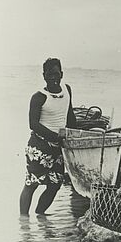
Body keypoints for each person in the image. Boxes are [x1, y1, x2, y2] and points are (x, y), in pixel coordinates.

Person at [19, 58, 77, 216]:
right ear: (44, 76)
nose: (53, 78)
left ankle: (40, 214)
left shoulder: (67, 90)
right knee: (32, 183)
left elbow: (70, 117)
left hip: (57, 148)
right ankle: (23, 220)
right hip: (39, 147)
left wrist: (77, 135)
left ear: (62, 74)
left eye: (56, 74)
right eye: (49, 74)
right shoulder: (39, 97)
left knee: (55, 184)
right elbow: (33, 124)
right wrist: (55, 137)